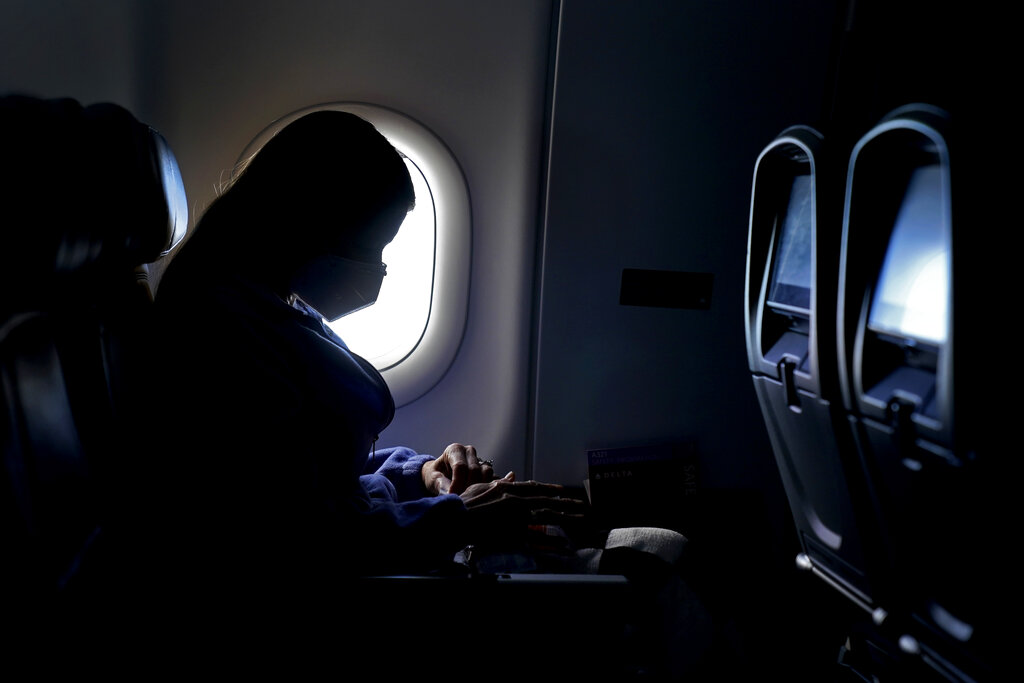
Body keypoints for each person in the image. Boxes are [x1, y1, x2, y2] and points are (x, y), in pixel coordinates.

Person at [147, 110, 585, 605]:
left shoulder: (266, 301)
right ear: (308, 224)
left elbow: (316, 471)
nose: (378, 272)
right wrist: (459, 517)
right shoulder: (218, 330)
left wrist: (419, 473)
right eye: (371, 248)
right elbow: (300, 536)